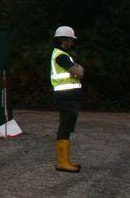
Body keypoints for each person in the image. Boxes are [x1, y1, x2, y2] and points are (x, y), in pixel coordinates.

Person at [51, 25, 84, 173]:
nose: (72, 43)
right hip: (66, 97)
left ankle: (64, 160)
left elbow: (77, 72)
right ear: (64, 40)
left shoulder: (63, 55)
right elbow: (79, 72)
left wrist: (77, 70)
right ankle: (62, 163)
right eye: (71, 40)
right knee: (65, 127)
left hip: (69, 97)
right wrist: (79, 69)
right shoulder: (61, 56)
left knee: (67, 127)